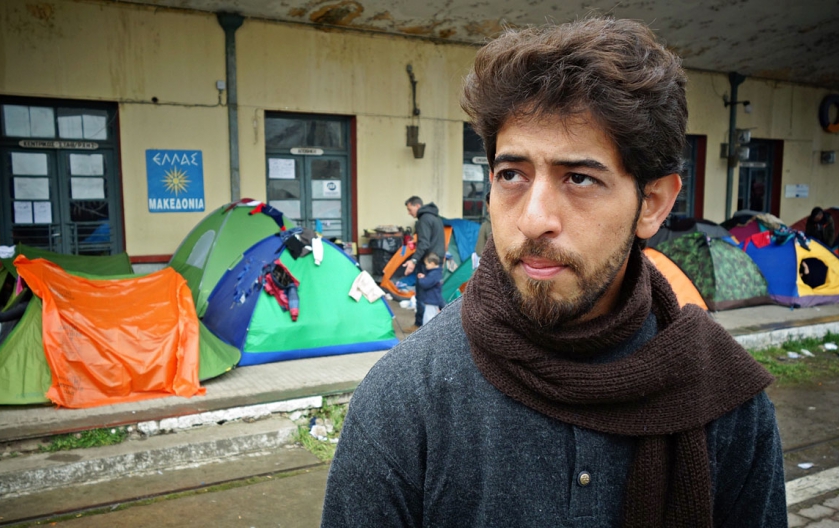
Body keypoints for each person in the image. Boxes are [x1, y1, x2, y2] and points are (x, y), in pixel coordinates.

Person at [323, 17, 785, 527]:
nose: (533, 219)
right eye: (512, 175)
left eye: (580, 178)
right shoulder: (406, 400)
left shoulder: (724, 401)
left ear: (652, 204)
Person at [403, 196, 445, 328]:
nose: (409, 213)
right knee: (434, 291)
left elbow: (424, 243)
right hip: (437, 260)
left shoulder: (423, 219)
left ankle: (418, 325)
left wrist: (413, 260)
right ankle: (441, 320)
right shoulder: (435, 217)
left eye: (410, 209)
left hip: (428, 263)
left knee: (422, 293)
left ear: (417, 206)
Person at [415, 252, 445, 325]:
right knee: (431, 317)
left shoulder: (434, 274)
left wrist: (421, 279)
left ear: (432, 263)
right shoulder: (437, 273)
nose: (425, 266)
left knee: (428, 319)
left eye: (426, 264)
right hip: (434, 300)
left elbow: (425, 284)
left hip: (431, 300)